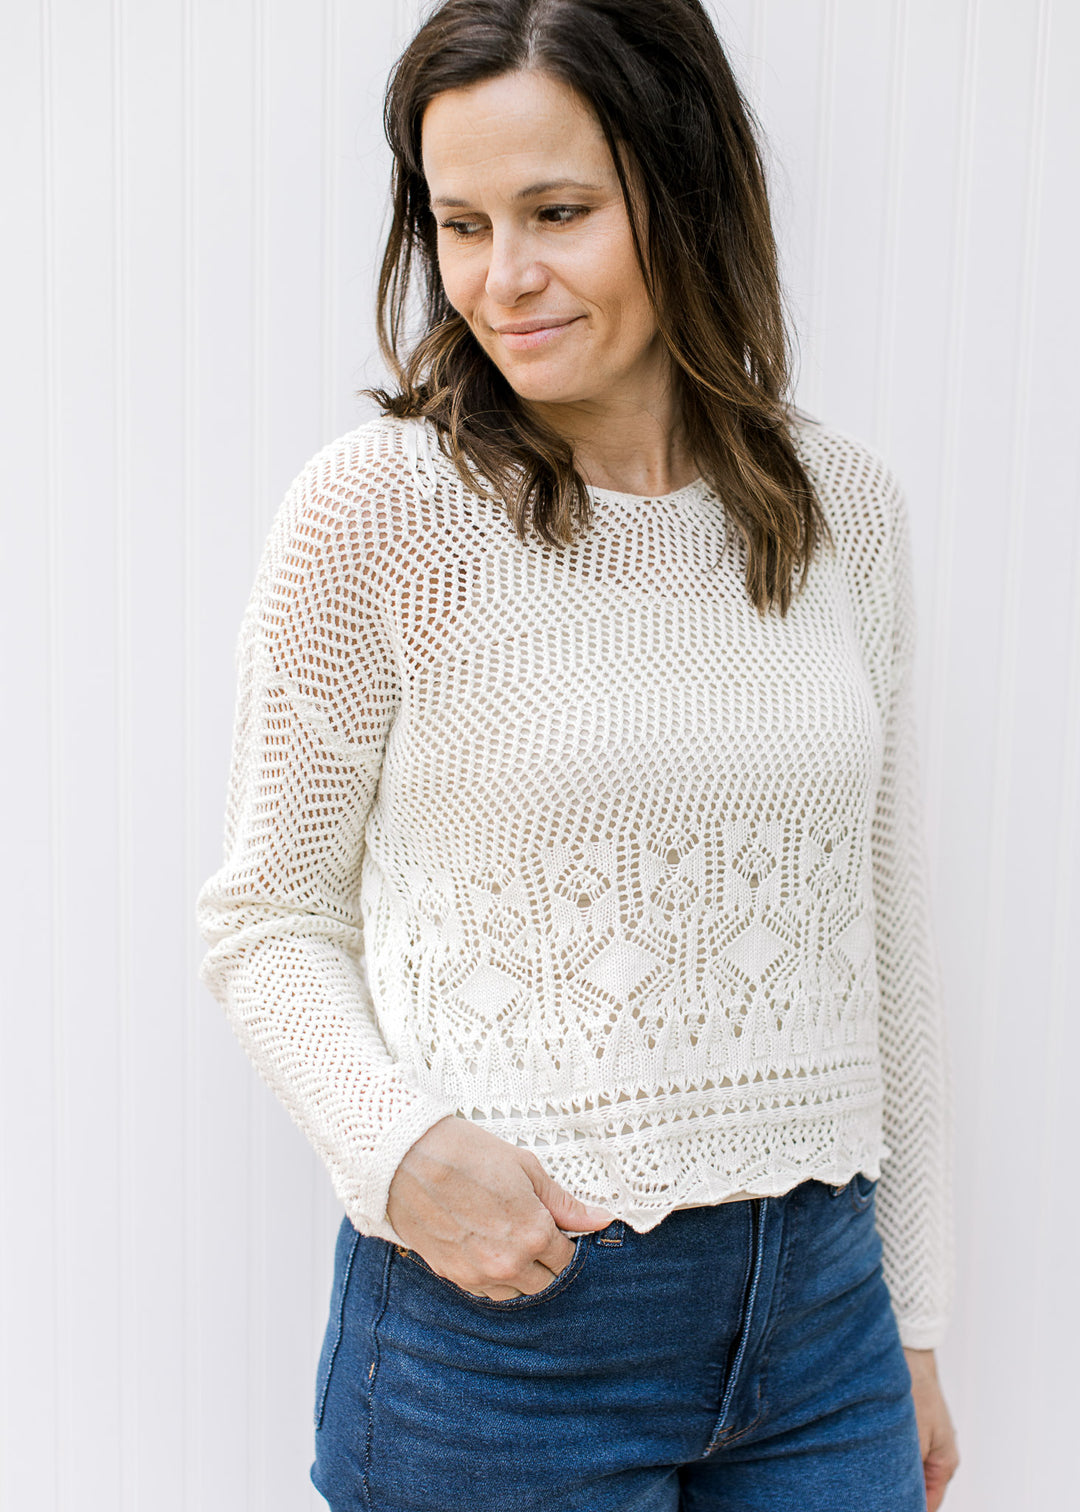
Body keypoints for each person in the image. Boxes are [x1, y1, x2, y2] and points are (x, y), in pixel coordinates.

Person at [195, 1, 961, 1507]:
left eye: (559, 213)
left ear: (683, 193)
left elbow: (883, 936)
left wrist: (914, 1317)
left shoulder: (841, 513)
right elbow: (264, 913)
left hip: (822, 1329)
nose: (503, 279)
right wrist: (398, 1147)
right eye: (460, 222)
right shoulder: (380, 515)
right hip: (505, 1340)